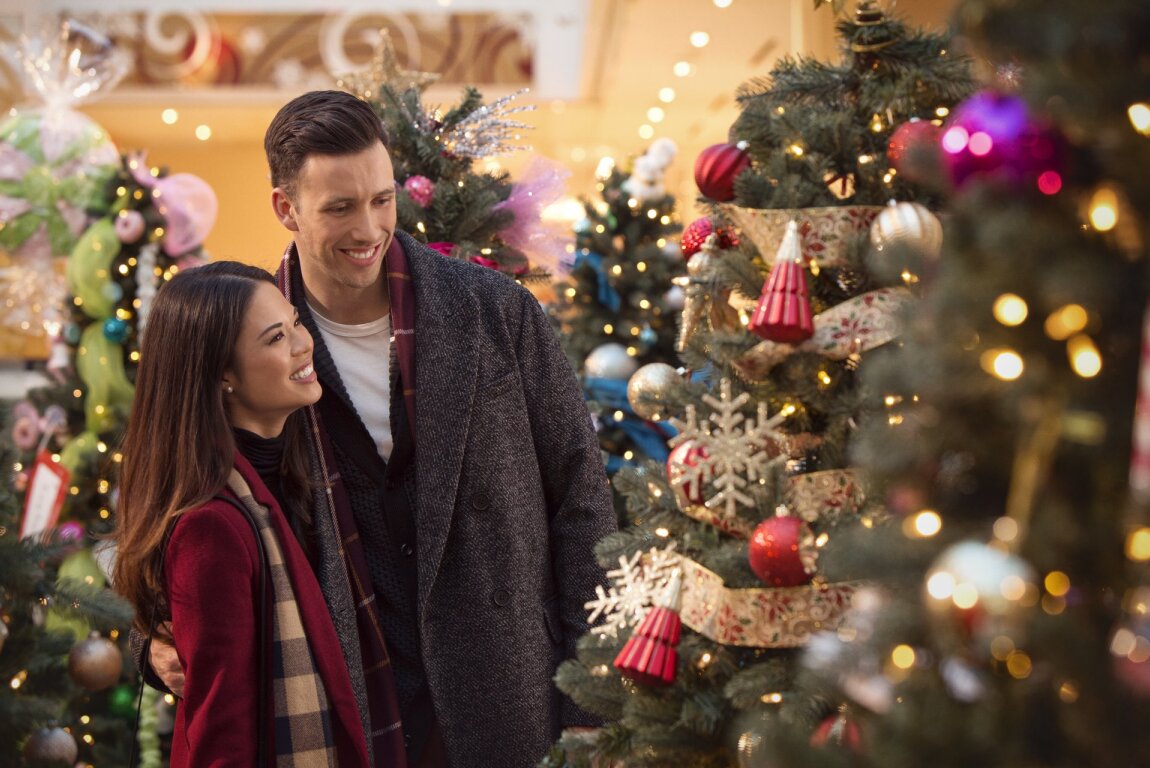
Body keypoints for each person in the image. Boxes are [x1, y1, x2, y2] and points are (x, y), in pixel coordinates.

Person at [146, 90, 617, 767]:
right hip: (347, 707)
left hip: (510, 689)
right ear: (286, 208)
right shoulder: (253, 341)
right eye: (339, 208)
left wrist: (591, 696)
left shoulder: (496, 312)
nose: (369, 228)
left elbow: (582, 498)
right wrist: (152, 641)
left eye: (382, 199)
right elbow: (183, 509)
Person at [115, 261, 405, 766]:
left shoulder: (311, 460)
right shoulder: (212, 527)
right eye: (275, 339)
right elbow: (220, 732)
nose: (303, 343)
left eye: (295, 322)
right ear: (221, 375)